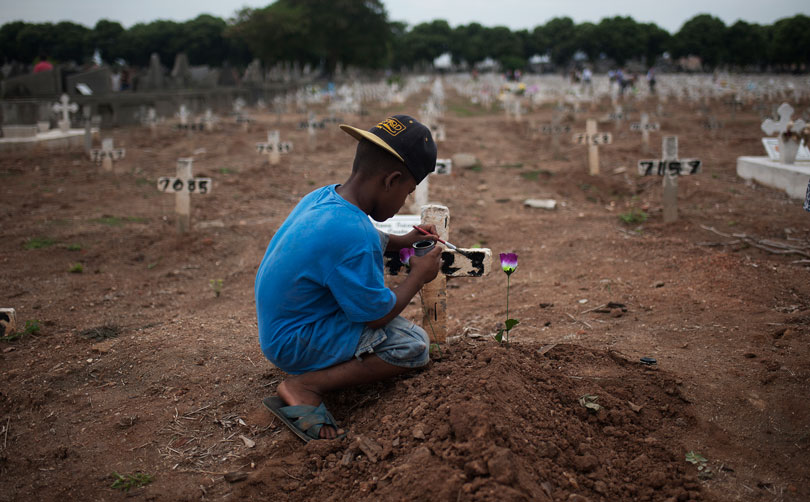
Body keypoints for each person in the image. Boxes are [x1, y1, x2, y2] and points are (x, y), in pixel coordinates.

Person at [255, 115, 443, 441]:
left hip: (283, 327)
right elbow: (376, 316)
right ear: (391, 181)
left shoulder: (326, 197)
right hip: (296, 342)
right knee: (412, 345)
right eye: (407, 193)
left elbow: (351, 238)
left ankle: (308, 374)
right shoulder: (354, 234)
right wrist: (418, 276)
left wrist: (400, 241)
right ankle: (305, 385)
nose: (404, 203)